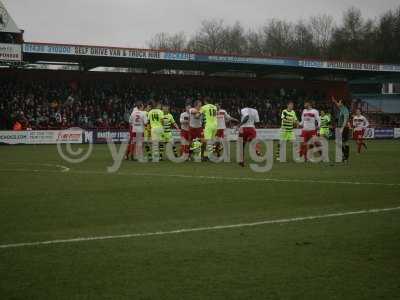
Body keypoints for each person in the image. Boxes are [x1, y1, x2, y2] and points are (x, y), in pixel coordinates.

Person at [332, 97, 350, 163]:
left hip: (344, 128)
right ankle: (345, 156)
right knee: (339, 142)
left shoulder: (345, 110)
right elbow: (337, 105)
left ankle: (346, 157)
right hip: (341, 127)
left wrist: (342, 128)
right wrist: (334, 101)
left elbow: (345, 120)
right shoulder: (341, 108)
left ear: (342, 103)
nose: (338, 103)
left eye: (339, 102)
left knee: (345, 143)